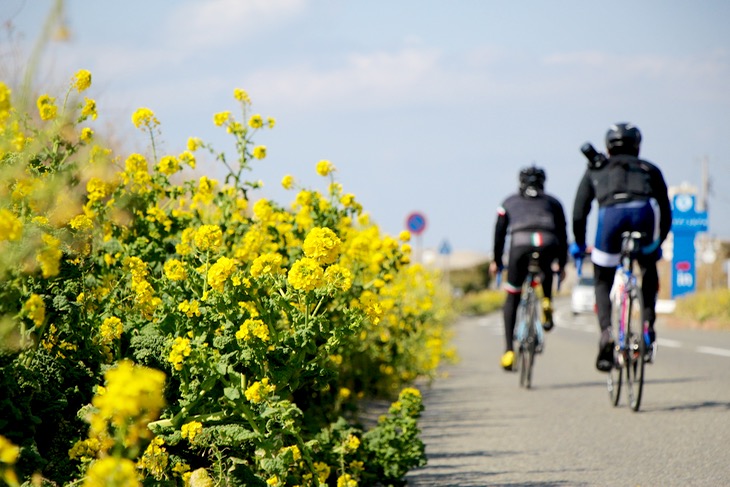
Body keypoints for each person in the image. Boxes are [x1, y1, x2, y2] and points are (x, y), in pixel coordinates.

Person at [571, 123, 671, 372]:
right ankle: (647, 327)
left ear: (607, 147)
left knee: (603, 279)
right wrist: (658, 242)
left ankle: (606, 333)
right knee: (647, 268)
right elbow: (665, 209)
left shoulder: (596, 169)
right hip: (643, 215)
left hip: (610, 218)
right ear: (637, 146)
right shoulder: (649, 168)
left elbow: (578, 212)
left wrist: (582, 244)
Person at [490, 166, 568, 371]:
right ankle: (547, 300)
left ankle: (508, 351)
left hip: (520, 244)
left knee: (513, 295)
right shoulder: (554, 203)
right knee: (546, 269)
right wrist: (562, 263)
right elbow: (562, 233)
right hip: (548, 242)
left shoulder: (508, 202)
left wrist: (497, 261)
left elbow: (499, 232)